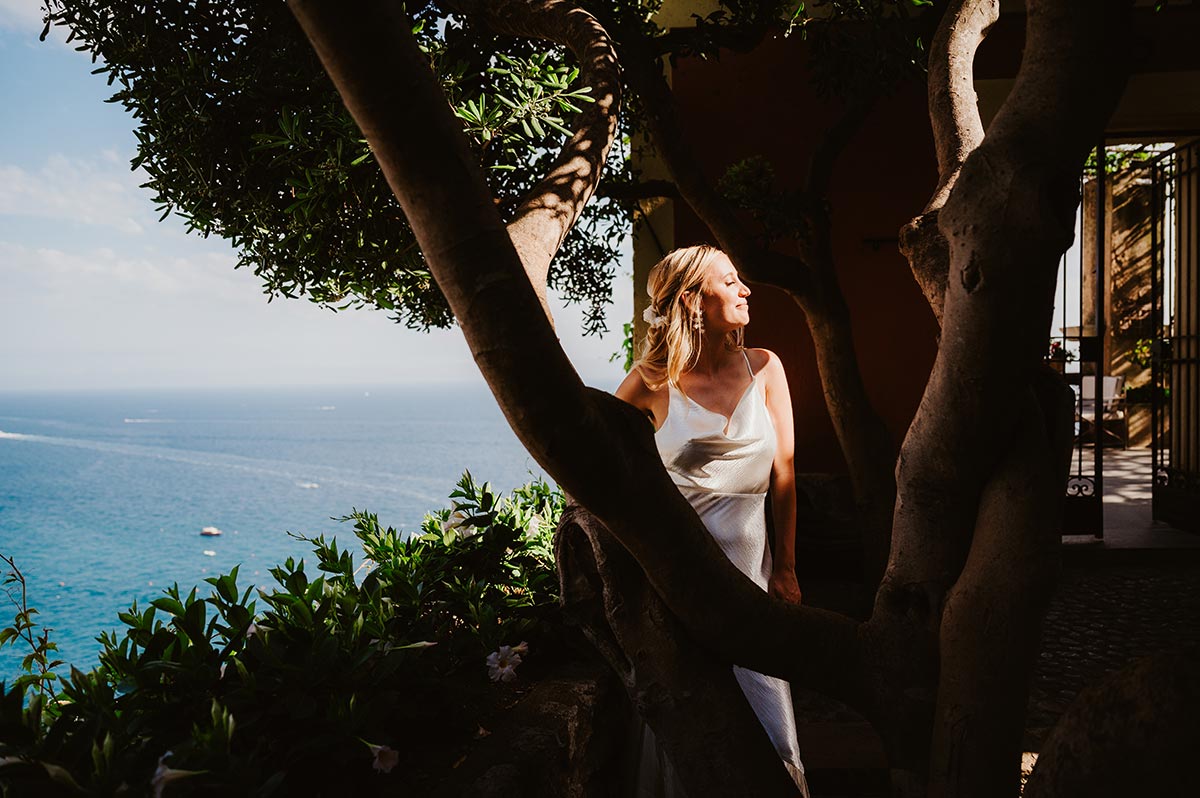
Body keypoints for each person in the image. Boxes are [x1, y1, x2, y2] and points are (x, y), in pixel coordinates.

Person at [615, 244, 809, 796]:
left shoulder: (766, 367)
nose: (746, 289)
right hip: (679, 583)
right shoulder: (651, 381)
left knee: (770, 720)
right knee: (692, 726)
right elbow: (596, 465)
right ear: (693, 301)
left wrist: (787, 568)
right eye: (731, 281)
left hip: (752, 575)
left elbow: (786, 475)